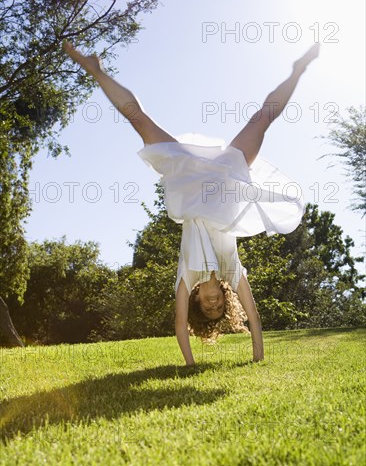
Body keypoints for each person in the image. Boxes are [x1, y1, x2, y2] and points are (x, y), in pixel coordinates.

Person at [63, 40, 320, 366]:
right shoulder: (231, 270)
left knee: (140, 122)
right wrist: (257, 358)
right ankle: (298, 69)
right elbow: (253, 317)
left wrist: (190, 363)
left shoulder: (187, 277)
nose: (212, 305)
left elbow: (179, 325)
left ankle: (95, 70)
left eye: (206, 308)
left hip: (188, 179)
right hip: (227, 181)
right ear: (226, 299)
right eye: (218, 308)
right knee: (262, 119)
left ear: (197, 299)